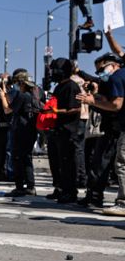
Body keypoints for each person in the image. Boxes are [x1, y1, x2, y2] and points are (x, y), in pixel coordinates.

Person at [77, 53, 125, 216]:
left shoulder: (117, 78)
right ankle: (95, 195)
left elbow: (116, 105)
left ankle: (120, 201)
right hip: (113, 127)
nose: (100, 74)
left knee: (117, 164)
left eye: (102, 69)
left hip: (114, 128)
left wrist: (93, 101)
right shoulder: (113, 79)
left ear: (113, 64)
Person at [0, 71, 38, 197]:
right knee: (27, 158)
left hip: (21, 130)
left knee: (18, 158)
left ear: (21, 83)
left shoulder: (22, 95)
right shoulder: (34, 94)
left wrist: (3, 97)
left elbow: (8, 109)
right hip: (31, 129)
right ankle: (30, 186)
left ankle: (20, 187)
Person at [48, 58, 82, 203]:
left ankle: (70, 191)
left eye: (56, 71)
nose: (53, 74)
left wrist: (57, 111)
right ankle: (59, 188)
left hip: (68, 131)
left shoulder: (72, 86)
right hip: (56, 129)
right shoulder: (58, 87)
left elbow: (76, 107)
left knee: (67, 163)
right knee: (56, 162)